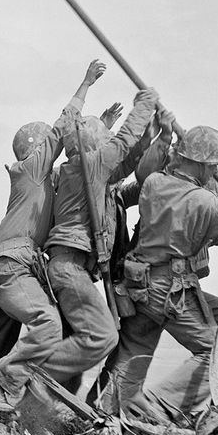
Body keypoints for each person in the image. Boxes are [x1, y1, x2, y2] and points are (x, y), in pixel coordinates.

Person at [99, 125, 218, 419]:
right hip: (170, 290)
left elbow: (202, 230)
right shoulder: (204, 202)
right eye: (212, 167)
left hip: (138, 284)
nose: (213, 174)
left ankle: (107, 412)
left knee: (133, 354)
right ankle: (156, 408)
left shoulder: (155, 184)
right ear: (202, 164)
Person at [0, 60, 106, 411]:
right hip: (13, 265)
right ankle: (1, 388)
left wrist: (103, 128)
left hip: (5, 267)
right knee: (47, 323)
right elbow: (62, 129)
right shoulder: (30, 171)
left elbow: (81, 165)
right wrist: (85, 84)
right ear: (37, 148)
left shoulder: (40, 181)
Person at [38, 87, 161, 386]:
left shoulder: (85, 170)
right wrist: (144, 104)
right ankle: (30, 376)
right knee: (103, 336)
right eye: (105, 140)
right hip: (69, 267)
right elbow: (123, 142)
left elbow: (127, 161)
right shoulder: (89, 166)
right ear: (95, 145)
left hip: (73, 267)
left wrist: (152, 134)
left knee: (76, 357)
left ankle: (45, 402)